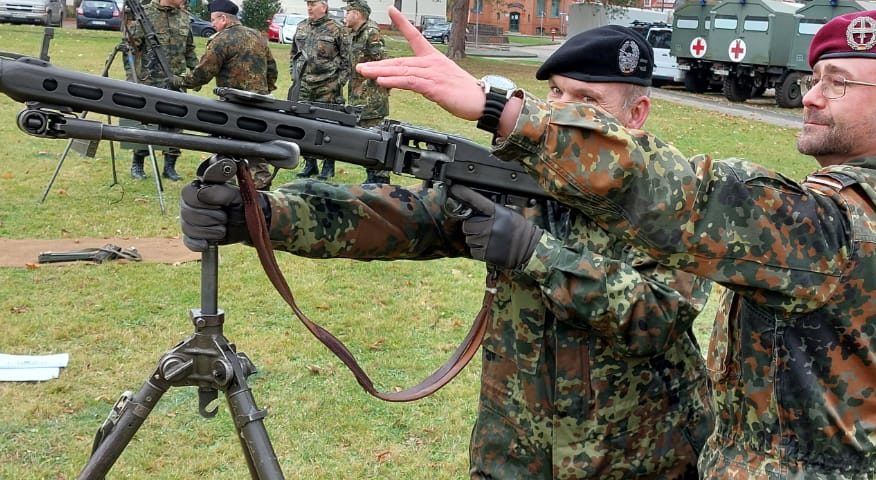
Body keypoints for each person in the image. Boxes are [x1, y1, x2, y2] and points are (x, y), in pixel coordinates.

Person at [356, 8, 876, 479]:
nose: (811, 97)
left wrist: (504, 110)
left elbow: (681, 196)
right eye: (816, 78)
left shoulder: (836, 228)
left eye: (839, 84)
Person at [180, 25, 716, 479]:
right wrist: (264, 216)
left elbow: (657, 317)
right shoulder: (519, 179)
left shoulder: (673, 200)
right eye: (555, 95)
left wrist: (534, 253)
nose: (561, 113)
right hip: (515, 452)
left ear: (638, 113)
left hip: (639, 457)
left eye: (588, 102)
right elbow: (403, 217)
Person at [173, 0, 278, 189]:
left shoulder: (221, 39)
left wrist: (181, 81)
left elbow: (204, 72)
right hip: (259, 103)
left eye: (213, 19)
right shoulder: (257, 36)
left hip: (233, 103)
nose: (212, 24)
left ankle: (223, 185)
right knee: (256, 145)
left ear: (223, 18)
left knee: (226, 144)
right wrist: (265, 91)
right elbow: (272, 68)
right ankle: (262, 188)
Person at [125, 0, 197, 182]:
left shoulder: (184, 17)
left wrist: (195, 72)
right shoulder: (145, 15)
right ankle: (138, 164)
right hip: (149, 80)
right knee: (144, 123)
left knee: (176, 123)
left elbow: (189, 48)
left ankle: (170, 167)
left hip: (175, 79)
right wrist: (133, 77)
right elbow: (131, 49)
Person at [290, 0, 350, 180]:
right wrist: (294, 76)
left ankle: (328, 166)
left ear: (323, 7)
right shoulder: (301, 27)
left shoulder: (338, 29)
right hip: (304, 86)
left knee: (327, 128)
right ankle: (309, 164)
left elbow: (347, 61)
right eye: (308, 4)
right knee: (303, 125)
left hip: (327, 87)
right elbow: (294, 54)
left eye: (313, 4)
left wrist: (337, 83)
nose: (309, 7)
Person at [343, 0, 392, 184]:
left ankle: (380, 180)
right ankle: (372, 176)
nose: (345, 16)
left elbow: (383, 62)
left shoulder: (371, 33)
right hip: (359, 96)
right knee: (366, 139)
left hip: (371, 97)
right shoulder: (355, 33)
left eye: (347, 12)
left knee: (376, 138)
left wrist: (382, 89)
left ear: (357, 13)